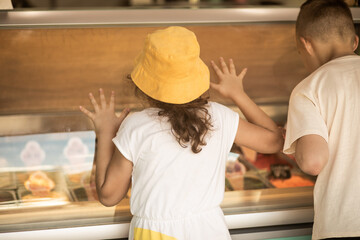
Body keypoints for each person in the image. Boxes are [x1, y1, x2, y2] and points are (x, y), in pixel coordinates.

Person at [80, 26, 283, 240]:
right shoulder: (219, 116)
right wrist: (238, 94)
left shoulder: (136, 126)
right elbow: (275, 141)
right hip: (209, 231)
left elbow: (108, 195)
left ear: (144, 84)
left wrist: (105, 132)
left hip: (155, 234)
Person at [283, 0, 360, 239]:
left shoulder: (309, 88)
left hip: (342, 226)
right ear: (355, 42)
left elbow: (313, 162)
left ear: (306, 45)